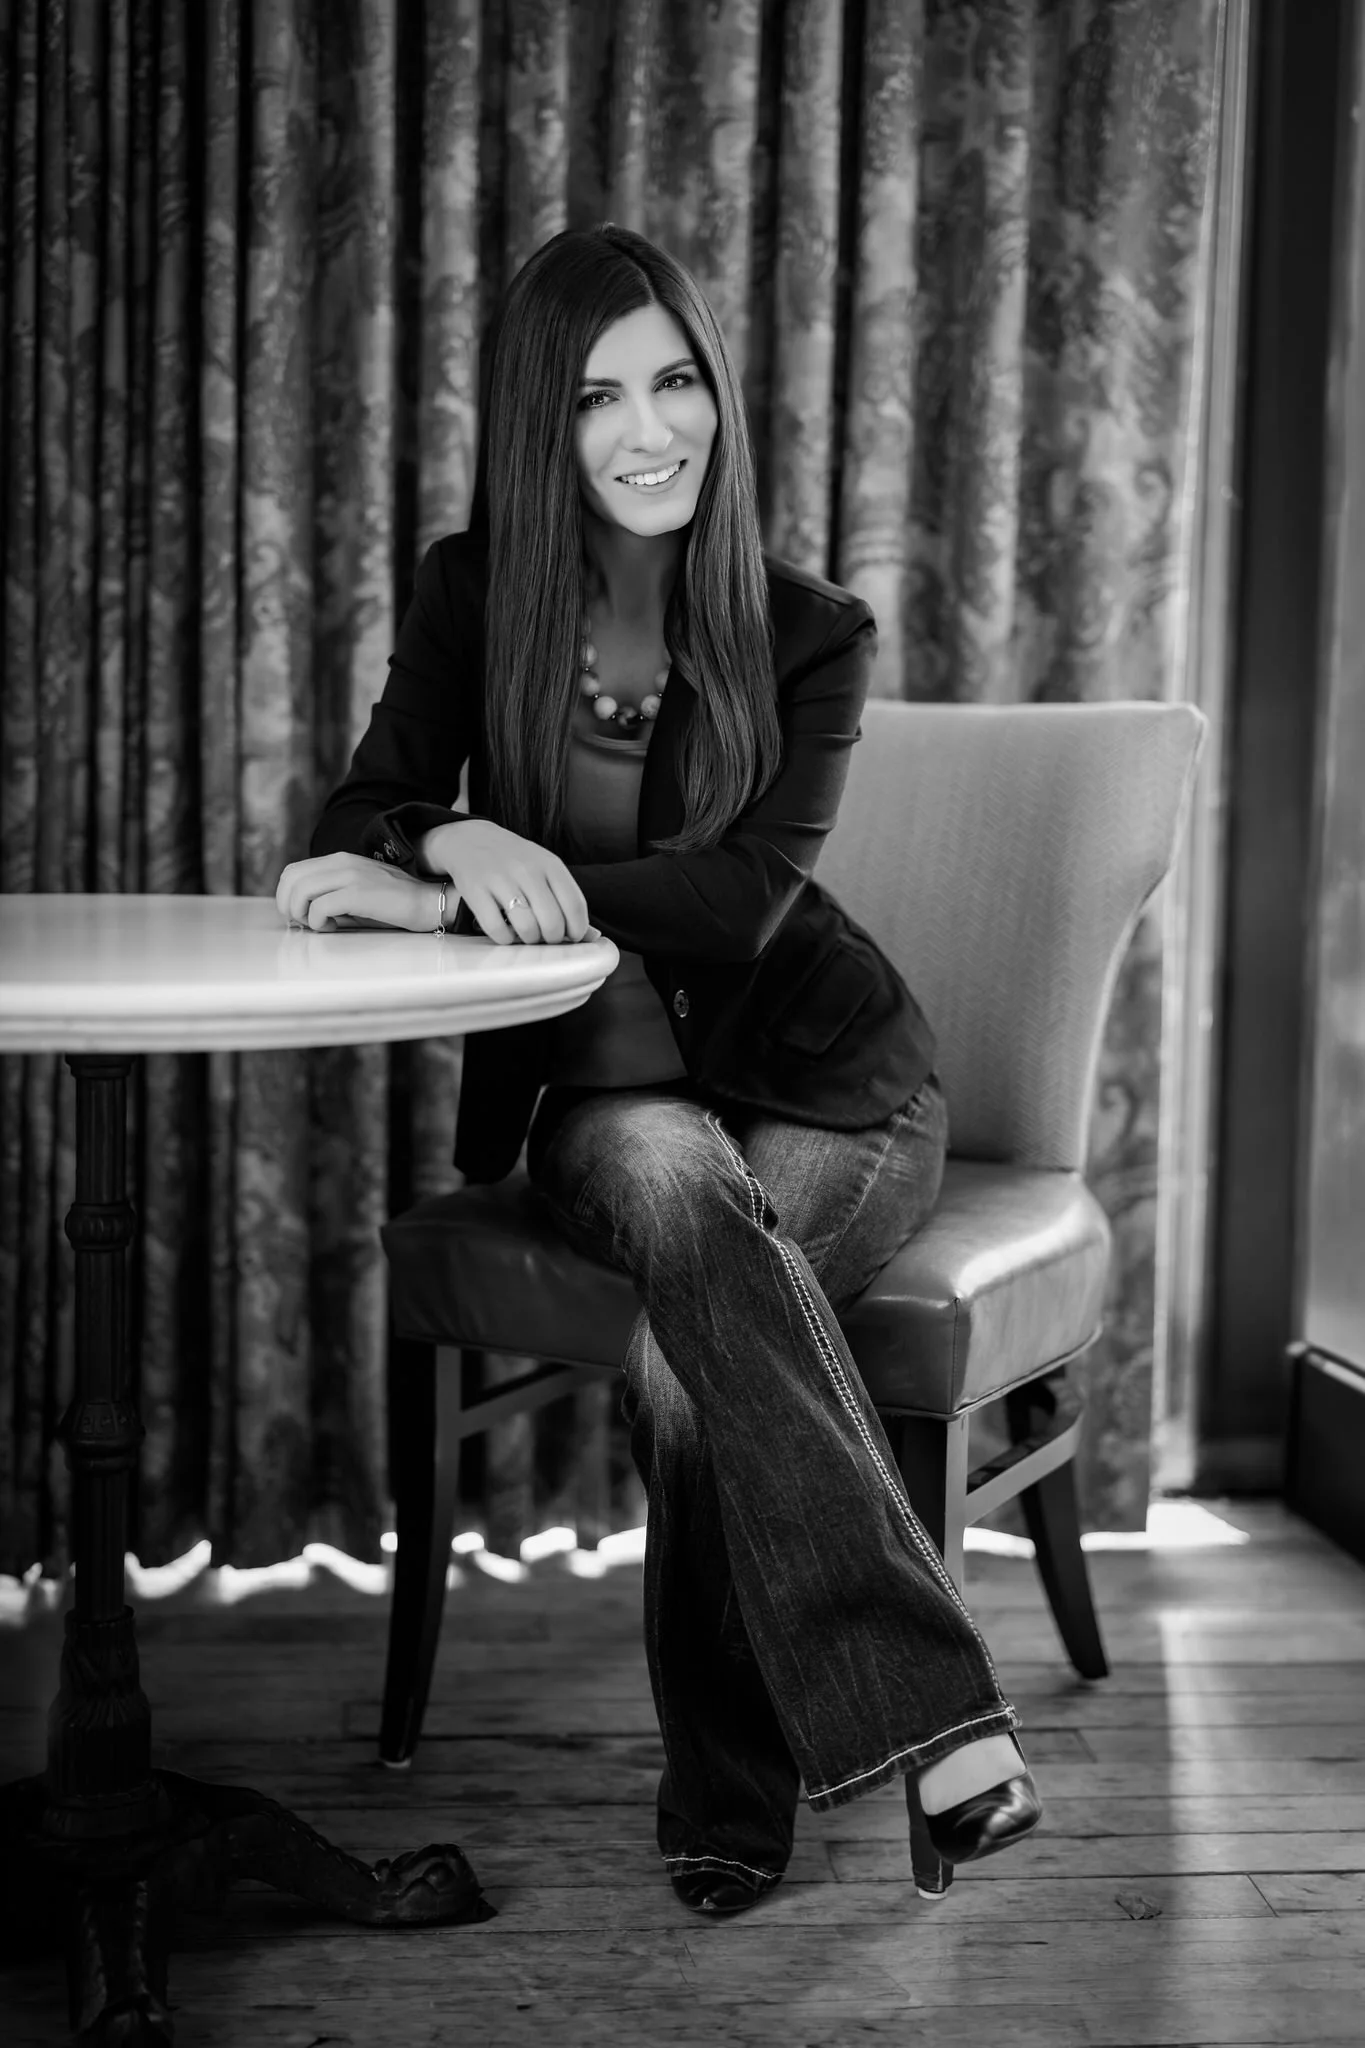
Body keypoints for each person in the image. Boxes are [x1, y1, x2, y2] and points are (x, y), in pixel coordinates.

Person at [276, 223, 1040, 1917]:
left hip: (842, 1085)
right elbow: (356, 811)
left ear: (718, 392)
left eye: (678, 380)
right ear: (545, 424)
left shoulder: (807, 630)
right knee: (676, 1191)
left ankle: (729, 1793)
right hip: (606, 1104)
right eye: (602, 395)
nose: (651, 430)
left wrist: (448, 903)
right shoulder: (474, 591)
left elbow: (739, 897)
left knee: (691, 1365)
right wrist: (446, 830)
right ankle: (938, 1727)